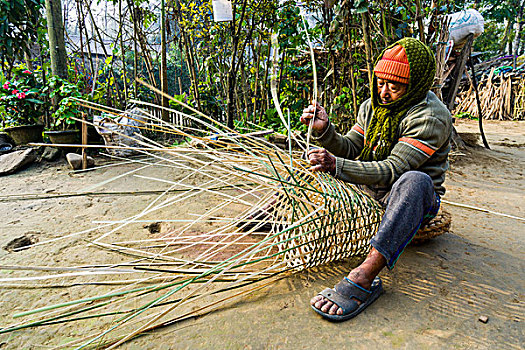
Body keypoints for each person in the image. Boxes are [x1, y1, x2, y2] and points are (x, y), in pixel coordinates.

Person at [300, 37, 452, 321]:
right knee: (311, 161)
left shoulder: (431, 117)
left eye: (394, 87)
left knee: (415, 180)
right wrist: (325, 131)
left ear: (416, 86)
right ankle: (276, 209)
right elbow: (351, 147)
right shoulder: (373, 106)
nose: (383, 92)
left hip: (408, 197)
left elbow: (392, 170)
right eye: (380, 82)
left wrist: (336, 165)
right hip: (370, 188)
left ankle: (364, 275)